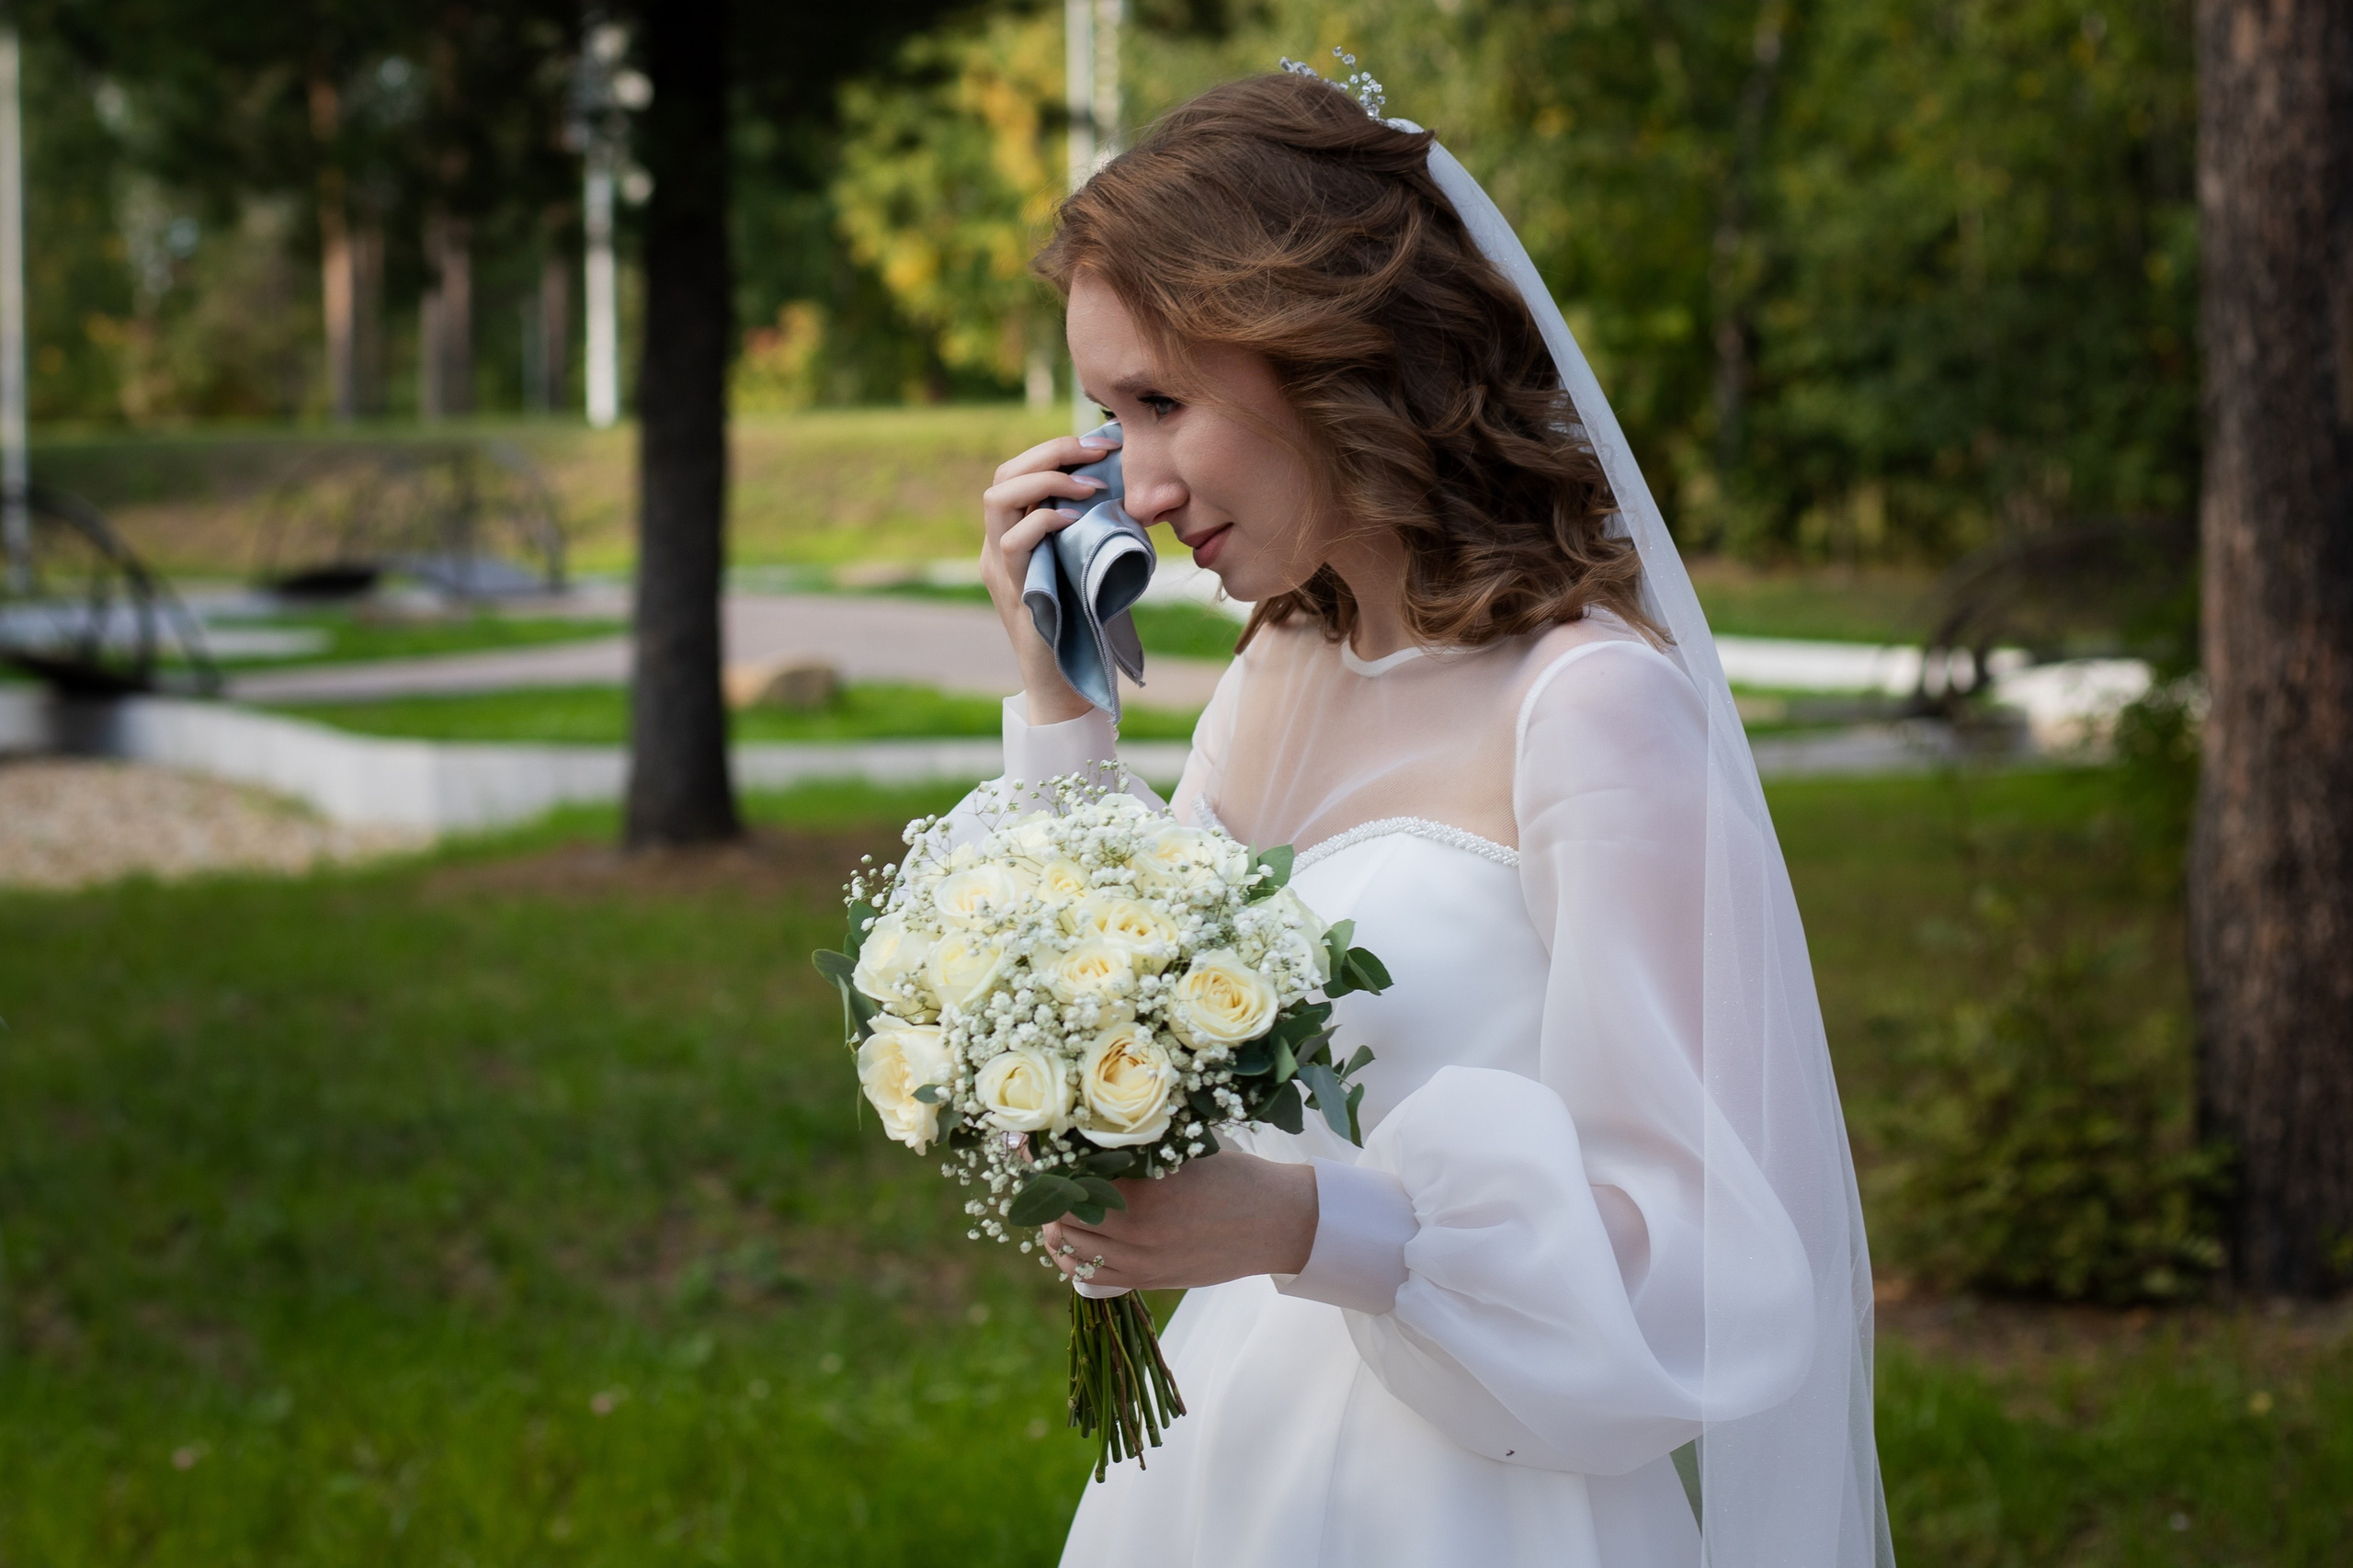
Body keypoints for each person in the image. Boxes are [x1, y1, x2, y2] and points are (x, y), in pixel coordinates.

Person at [964, 70, 1892, 1568]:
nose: (1132, 485)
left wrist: (1297, 1228)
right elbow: (1097, 1019)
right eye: (1108, 416)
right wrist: (1057, 689)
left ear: (1322, 349)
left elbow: (1694, 1260)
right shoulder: (1280, 674)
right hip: (1219, 1467)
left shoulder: (1591, 709)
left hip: (1486, 1496)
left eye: (1161, 402)